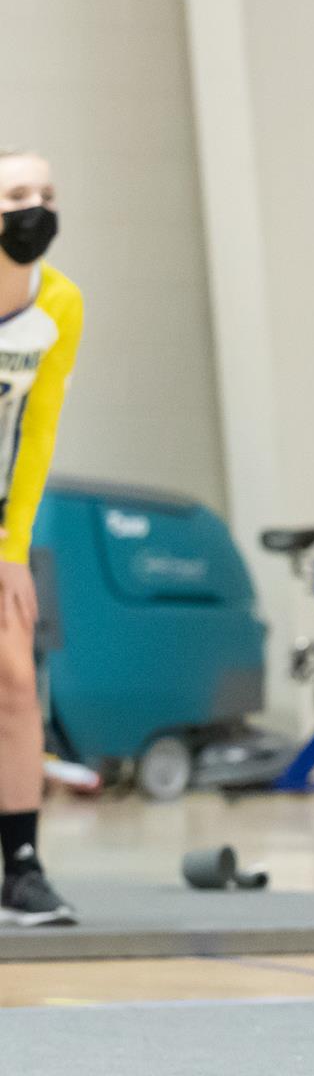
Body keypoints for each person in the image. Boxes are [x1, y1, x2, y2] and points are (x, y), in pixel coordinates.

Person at [0, 151, 83, 925]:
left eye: (46, 195)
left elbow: (38, 429)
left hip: (0, 517)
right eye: (18, 194)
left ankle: (20, 865)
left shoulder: (60, 303)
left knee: (17, 681)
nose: (36, 207)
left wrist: (13, 547)